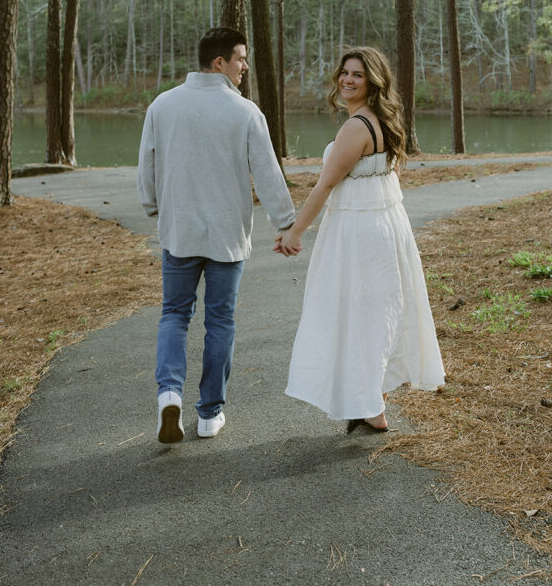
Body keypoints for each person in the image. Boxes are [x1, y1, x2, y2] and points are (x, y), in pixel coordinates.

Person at [138, 27, 298, 445]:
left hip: (180, 232)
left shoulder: (163, 105)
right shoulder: (245, 112)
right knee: (220, 321)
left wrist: (154, 206)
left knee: (174, 314)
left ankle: (169, 394)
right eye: (241, 59)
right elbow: (267, 172)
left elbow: (147, 164)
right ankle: (209, 414)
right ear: (219, 63)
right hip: (226, 237)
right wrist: (286, 223)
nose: (245, 66)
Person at [276, 46, 444, 432]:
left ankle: (371, 404)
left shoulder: (356, 127)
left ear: (373, 82)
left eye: (358, 75)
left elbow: (325, 185)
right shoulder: (383, 119)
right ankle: (373, 403)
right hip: (383, 224)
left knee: (357, 313)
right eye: (345, 73)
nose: (347, 80)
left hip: (361, 232)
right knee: (377, 312)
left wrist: (295, 232)